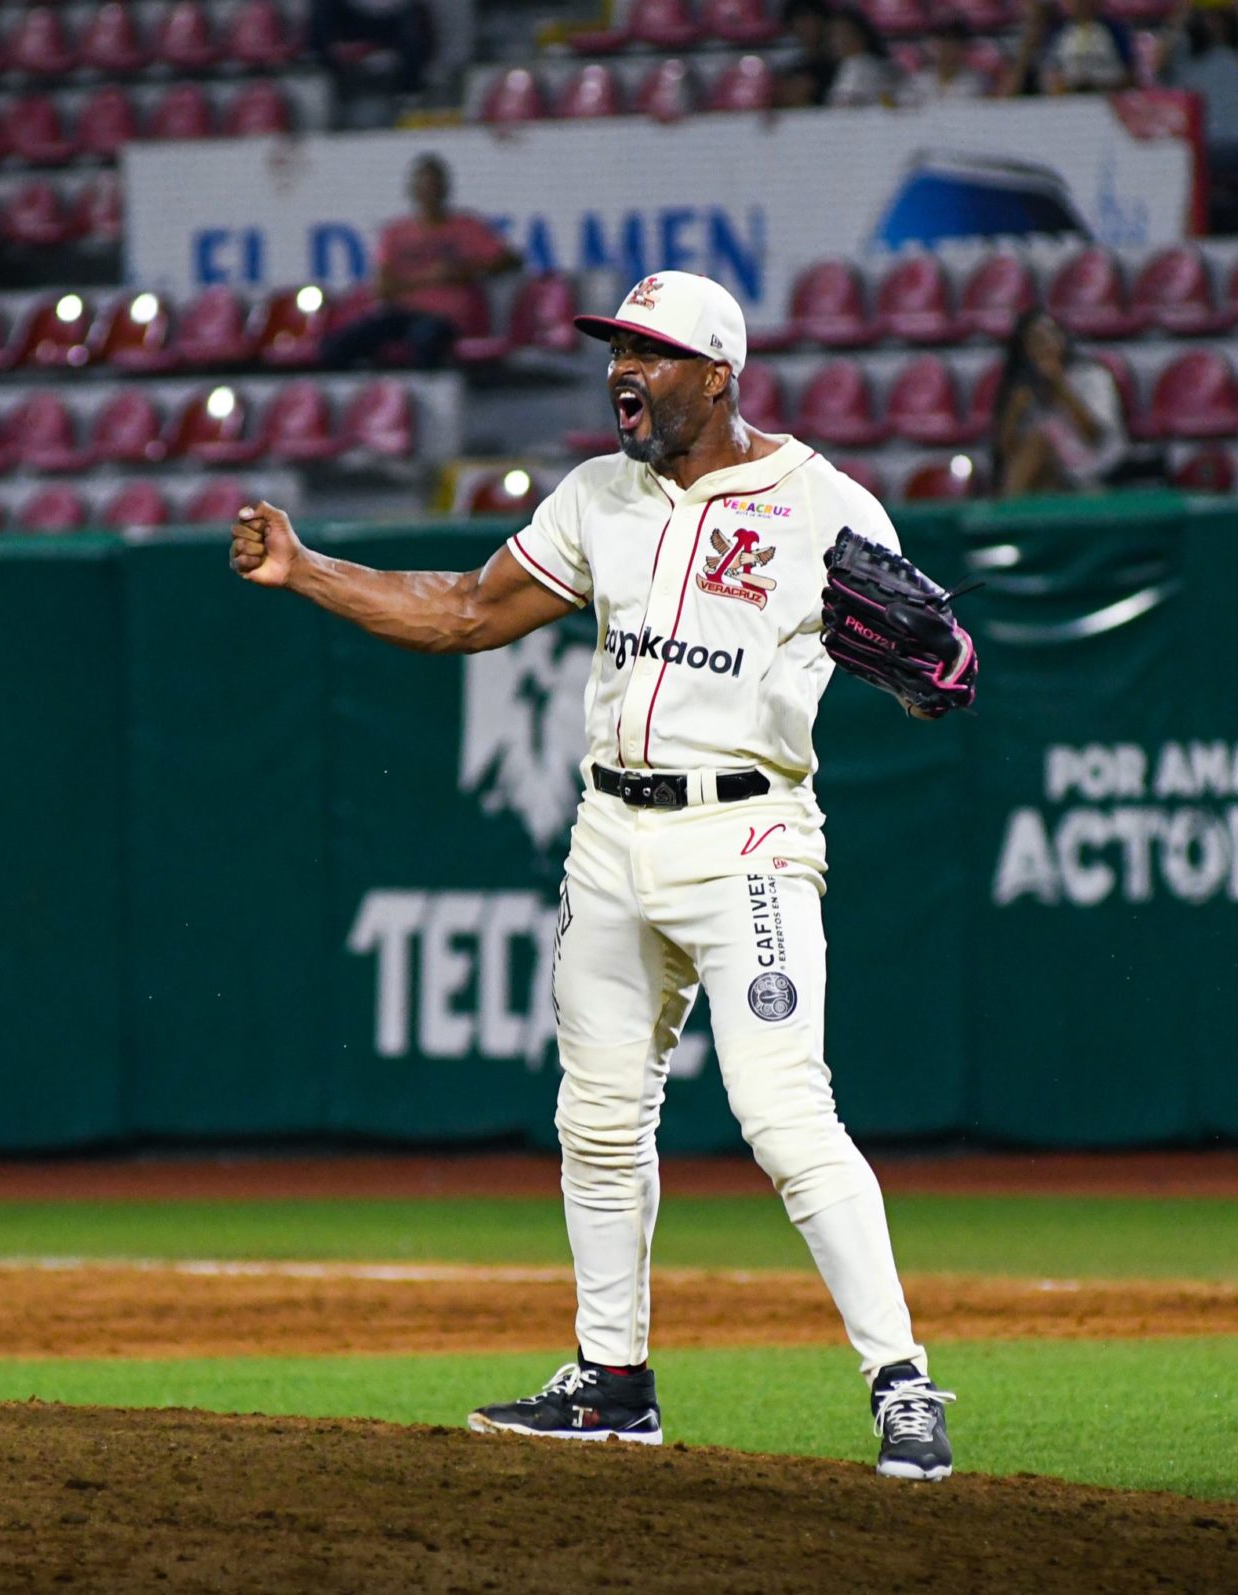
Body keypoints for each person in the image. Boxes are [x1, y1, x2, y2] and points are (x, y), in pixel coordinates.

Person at [229, 269, 958, 1483]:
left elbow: (935, 666)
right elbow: (465, 610)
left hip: (747, 839)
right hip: (611, 837)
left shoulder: (823, 506)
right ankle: (611, 1381)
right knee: (599, 1120)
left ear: (717, 372)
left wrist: (939, 661)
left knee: (786, 1115)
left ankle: (902, 1382)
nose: (623, 368)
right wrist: (307, 570)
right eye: (614, 348)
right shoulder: (596, 499)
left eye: (652, 352)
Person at [319, 155, 521, 371]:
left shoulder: (467, 227)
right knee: (337, 345)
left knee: (425, 338)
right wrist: (432, 277)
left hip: (447, 318)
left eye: (434, 187)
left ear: (445, 190)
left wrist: (469, 269)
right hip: (401, 314)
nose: (429, 194)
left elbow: (512, 261)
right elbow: (383, 288)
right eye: (424, 188)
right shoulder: (395, 233)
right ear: (412, 192)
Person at [992, 309, 1130, 497]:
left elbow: (1095, 436)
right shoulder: (1022, 388)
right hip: (1044, 475)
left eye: (1050, 335)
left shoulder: (1092, 376)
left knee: (1040, 444)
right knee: (1038, 447)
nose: (1045, 345)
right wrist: (1013, 412)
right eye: (1035, 341)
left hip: (1096, 469)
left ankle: (1005, 520)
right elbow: (1006, 456)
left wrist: (1062, 389)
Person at [1167, 0, 1238, 174]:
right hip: (1194, 147)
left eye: (1220, 18)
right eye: (1208, 17)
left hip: (1235, 143)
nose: (1214, 23)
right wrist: (1181, 13)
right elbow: (1156, 64)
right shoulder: (1184, 53)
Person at [1040, 0, 1136, 93]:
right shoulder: (1059, 32)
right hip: (1069, 98)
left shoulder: (1115, 30)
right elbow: (1049, 71)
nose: (1083, 4)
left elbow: (1130, 70)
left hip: (1107, 95)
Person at [824, 7, 901, 107]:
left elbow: (844, 105)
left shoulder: (863, 66)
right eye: (834, 35)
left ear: (861, 35)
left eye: (844, 34)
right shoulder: (849, 65)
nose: (838, 41)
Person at [773, 0, 839, 108]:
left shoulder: (840, 63)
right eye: (796, 20)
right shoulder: (791, 67)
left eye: (807, 19)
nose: (802, 26)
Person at [906, 19, 989, 103]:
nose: (946, 48)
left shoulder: (976, 84)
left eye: (953, 43)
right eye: (942, 42)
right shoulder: (918, 81)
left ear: (963, 48)